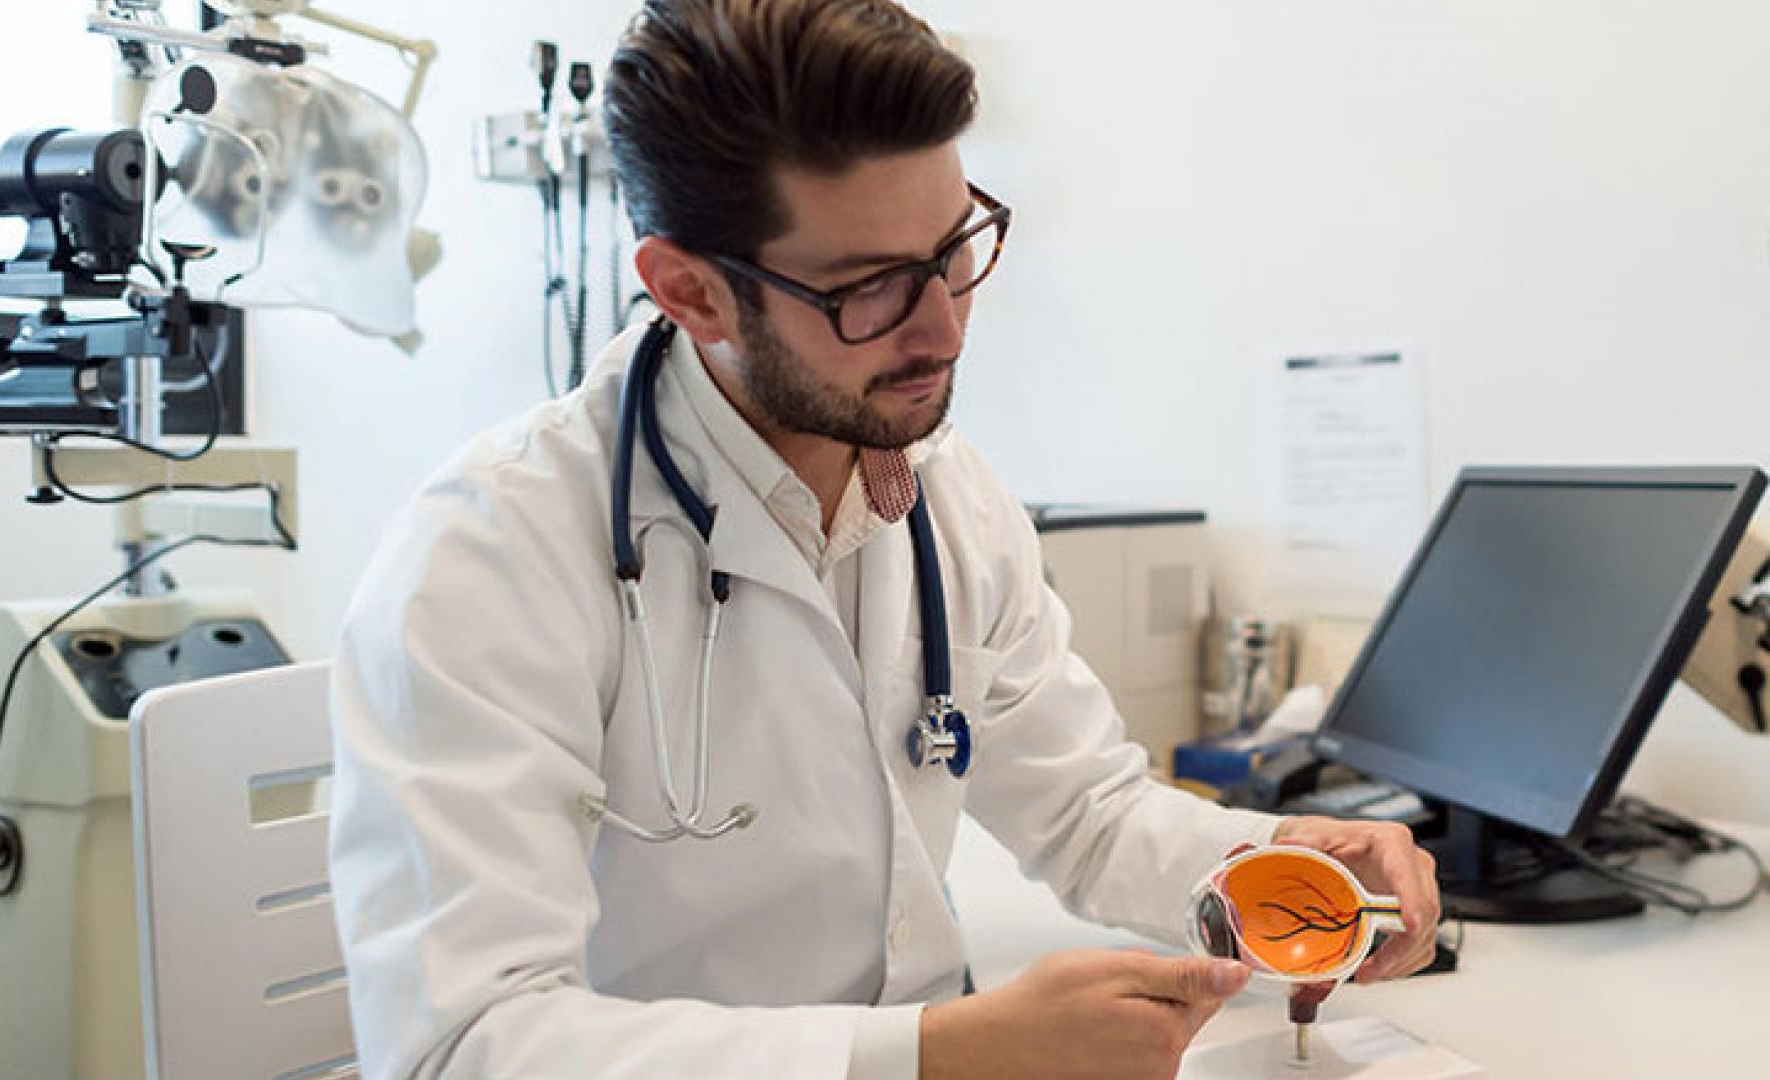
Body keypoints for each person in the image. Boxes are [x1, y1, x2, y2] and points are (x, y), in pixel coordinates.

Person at [328, 1, 1442, 1077]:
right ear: (692, 293)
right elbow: (463, 1048)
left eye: (955, 248)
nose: (946, 326)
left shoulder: (947, 497)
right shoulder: (492, 556)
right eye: (868, 290)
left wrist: (1284, 867)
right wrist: (935, 1058)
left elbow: (1089, 812)